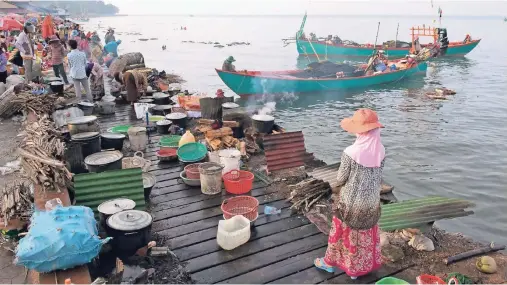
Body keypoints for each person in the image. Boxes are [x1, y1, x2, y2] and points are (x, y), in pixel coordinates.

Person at [314, 108, 384, 280]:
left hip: (350, 205)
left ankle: (329, 264)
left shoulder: (350, 152)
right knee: (363, 237)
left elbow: (341, 178)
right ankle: (358, 269)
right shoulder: (381, 150)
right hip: (371, 204)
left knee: (342, 235)